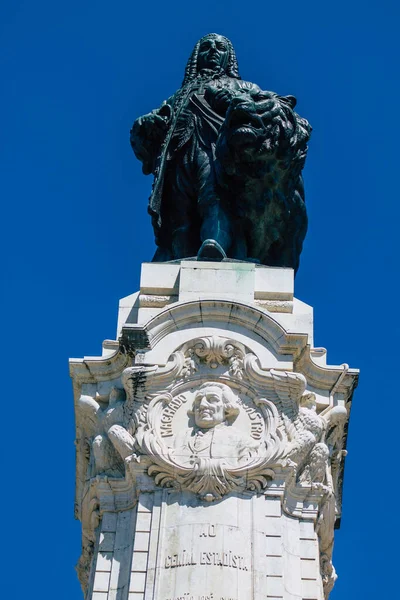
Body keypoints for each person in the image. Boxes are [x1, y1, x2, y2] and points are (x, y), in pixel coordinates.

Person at [130, 33, 273, 261]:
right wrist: (146, 124)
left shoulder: (244, 86)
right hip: (178, 152)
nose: (213, 51)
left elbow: (266, 109)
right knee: (178, 209)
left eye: (220, 48)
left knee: (214, 194)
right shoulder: (179, 95)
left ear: (229, 57)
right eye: (206, 47)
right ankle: (178, 254)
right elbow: (152, 125)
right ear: (197, 57)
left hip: (216, 148)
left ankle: (214, 244)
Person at [173, 382, 259, 468]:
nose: (202, 405)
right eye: (199, 400)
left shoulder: (241, 440)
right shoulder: (182, 437)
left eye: (212, 399)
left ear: (226, 407)